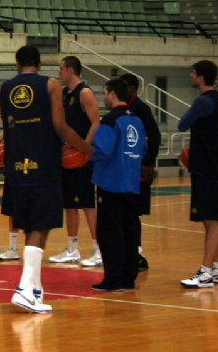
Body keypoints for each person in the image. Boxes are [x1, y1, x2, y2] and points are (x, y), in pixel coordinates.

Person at [0, 46, 91, 313]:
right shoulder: (50, 84)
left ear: (17, 63)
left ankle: (35, 290)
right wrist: (85, 147)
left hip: (16, 166)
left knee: (30, 227)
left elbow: (9, 128)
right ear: (39, 63)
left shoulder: (4, 88)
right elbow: (60, 126)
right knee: (41, 225)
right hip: (44, 164)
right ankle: (25, 288)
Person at [178, 60, 218, 288]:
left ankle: (206, 272)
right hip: (215, 166)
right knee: (213, 219)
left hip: (206, 168)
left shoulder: (203, 101)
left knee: (210, 220)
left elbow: (181, 124)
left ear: (200, 77)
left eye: (192, 72)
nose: (190, 75)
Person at [90, 78, 146, 291]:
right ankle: (128, 278)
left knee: (109, 233)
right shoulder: (137, 120)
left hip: (112, 183)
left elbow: (102, 150)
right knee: (129, 232)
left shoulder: (110, 121)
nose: (103, 97)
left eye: (104, 93)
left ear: (112, 94)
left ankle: (113, 279)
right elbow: (142, 147)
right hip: (132, 182)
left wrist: (83, 154)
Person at [49, 56, 101, 267]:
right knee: (69, 205)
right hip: (66, 157)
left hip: (82, 158)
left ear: (71, 70)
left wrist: (85, 149)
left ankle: (99, 249)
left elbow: (96, 121)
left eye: (61, 69)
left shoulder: (84, 92)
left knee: (88, 205)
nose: (59, 72)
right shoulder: (63, 94)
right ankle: (72, 248)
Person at [119, 73, 161, 271]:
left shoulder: (140, 108)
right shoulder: (124, 109)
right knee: (127, 213)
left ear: (133, 88)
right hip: (127, 168)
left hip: (139, 168)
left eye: (124, 86)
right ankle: (131, 253)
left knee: (133, 213)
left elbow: (155, 135)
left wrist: (148, 162)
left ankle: (137, 254)